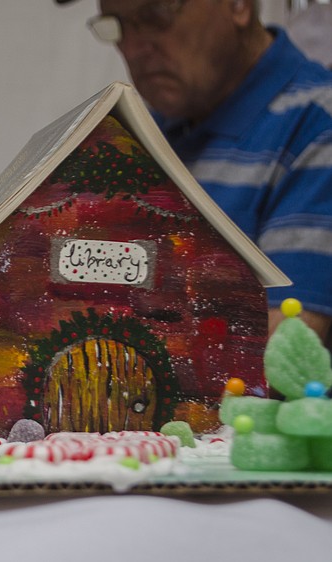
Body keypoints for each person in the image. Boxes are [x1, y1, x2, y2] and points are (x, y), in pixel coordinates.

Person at [83, 0, 332, 342]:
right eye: (117, 24)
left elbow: (281, 348)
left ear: (238, 5)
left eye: (156, 16)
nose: (134, 47)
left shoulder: (318, 125)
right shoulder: (139, 139)